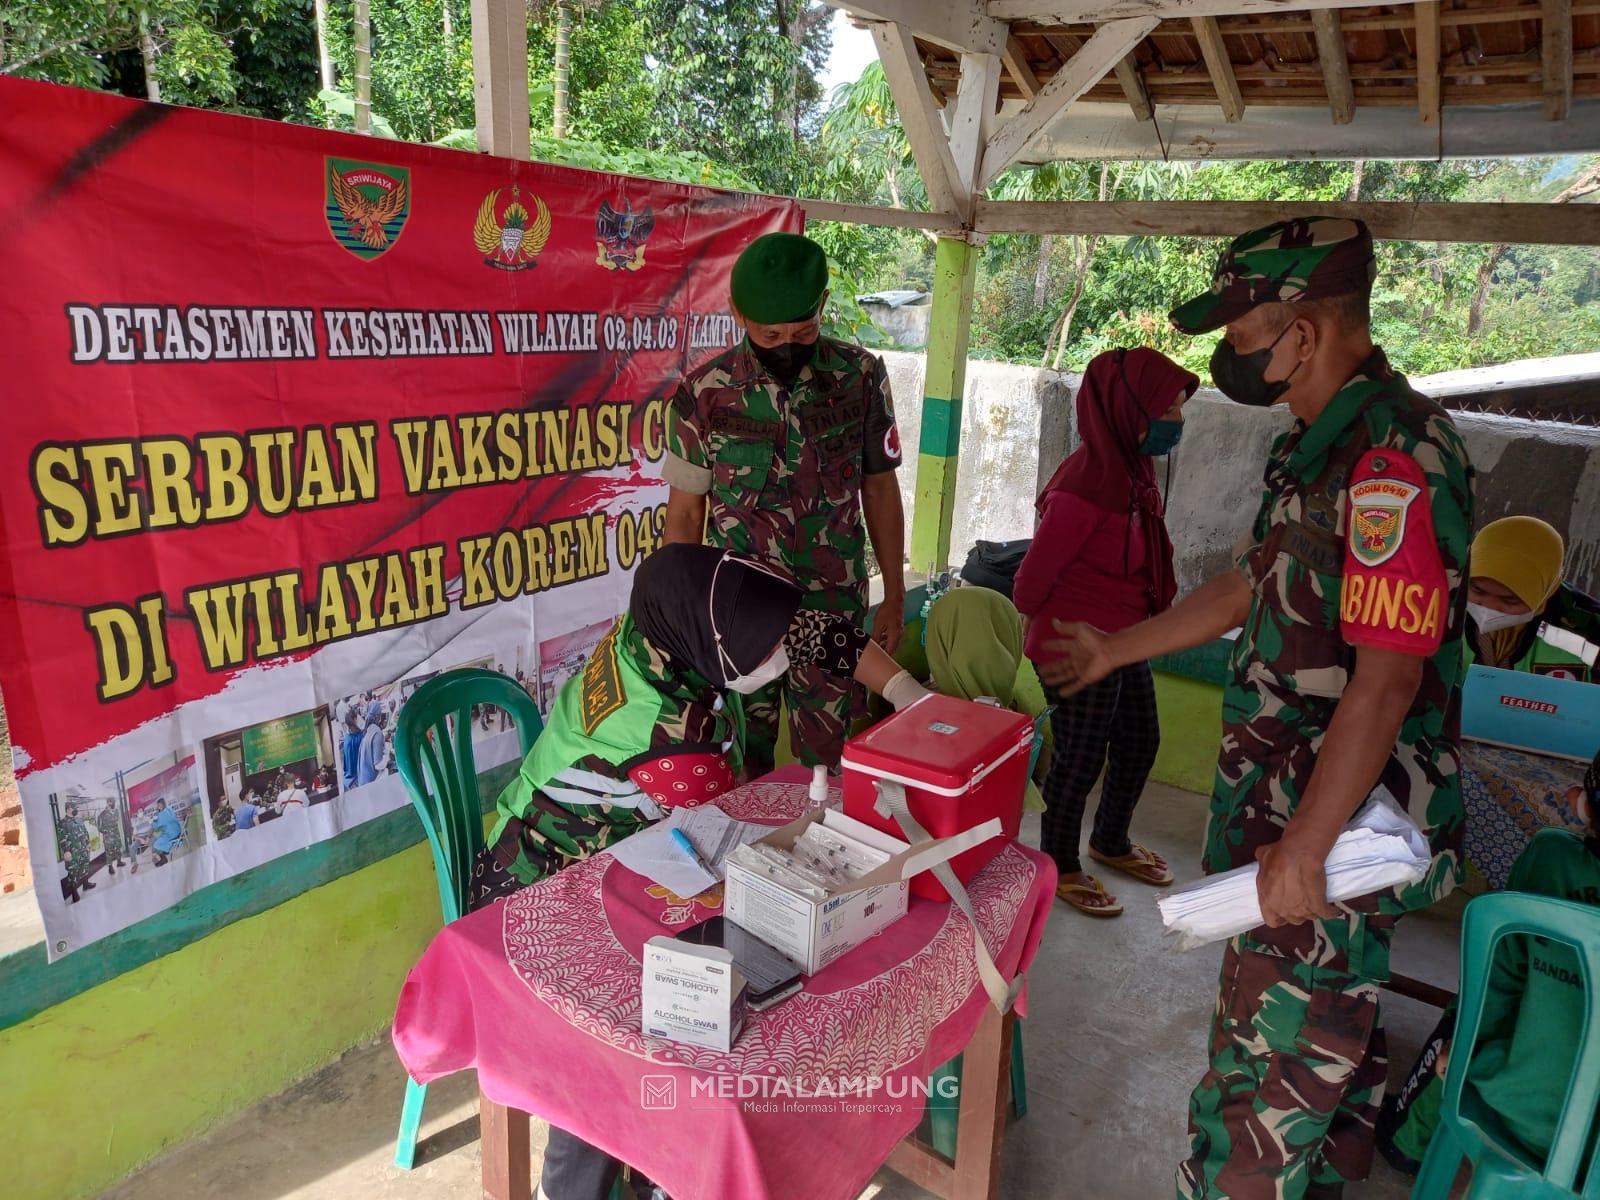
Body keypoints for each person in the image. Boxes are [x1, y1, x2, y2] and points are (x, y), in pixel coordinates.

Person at [1043, 216, 1473, 1198]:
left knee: (1255, 1111)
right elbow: (1250, 584)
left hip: (1325, 837)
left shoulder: (1391, 459)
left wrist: (1305, 850)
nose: (1226, 357)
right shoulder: (1315, 449)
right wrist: (1115, 647)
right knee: (1308, 1073)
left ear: (1303, 334)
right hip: (1286, 822)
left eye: (1240, 335)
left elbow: (1387, 679)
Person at [476, 543, 927, 1200]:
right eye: (761, 652)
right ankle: (620, 1174)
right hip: (536, 885)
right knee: (665, 1013)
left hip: (561, 835)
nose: (778, 657)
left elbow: (818, 634)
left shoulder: (652, 631)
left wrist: (907, 692)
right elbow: (721, 849)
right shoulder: (675, 737)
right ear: (710, 645)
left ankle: (660, 1162)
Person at [663, 231, 908, 776]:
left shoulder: (859, 378)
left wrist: (894, 594)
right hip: (739, 613)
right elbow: (684, 514)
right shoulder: (704, 394)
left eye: (804, 330)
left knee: (831, 765)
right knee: (737, 761)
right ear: (737, 312)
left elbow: (879, 488)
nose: (787, 346)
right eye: (770, 334)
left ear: (823, 304)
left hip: (833, 605)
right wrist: (683, 623)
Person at [1013, 348, 1197, 917]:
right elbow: (1029, 582)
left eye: (1180, 408)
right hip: (1072, 645)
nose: (1178, 421)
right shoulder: (1084, 487)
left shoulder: (1134, 476)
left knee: (1140, 741)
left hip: (1121, 640)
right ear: (1127, 409)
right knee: (1081, 756)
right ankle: (1058, 862)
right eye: (1168, 409)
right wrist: (1037, 635)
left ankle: (1110, 841)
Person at [1379, 747, 1600, 1173]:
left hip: (1520, 1111)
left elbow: (1494, 989)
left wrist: (1462, 1055)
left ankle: (1408, 1141)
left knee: (1470, 1009)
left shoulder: (1553, 858)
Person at [1464, 515, 1600, 678]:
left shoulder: (1590, 629)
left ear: (1544, 592)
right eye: (1478, 591)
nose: (1489, 608)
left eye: (1509, 600)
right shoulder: (1444, 609)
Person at [56, 801, 94, 902]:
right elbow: (62, 838)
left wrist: (88, 843)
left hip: (83, 849)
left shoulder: (79, 820)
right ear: (68, 809)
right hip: (72, 852)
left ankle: (85, 884)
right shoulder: (62, 823)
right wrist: (66, 851)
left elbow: (85, 832)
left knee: (85, 866)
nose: (76, 810)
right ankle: (74, 891)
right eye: (74, 808)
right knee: (73, 871)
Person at [357, 706, 389, 786]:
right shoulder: (377, 732)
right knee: (387, 771)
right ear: (378, 716)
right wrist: (387, 756)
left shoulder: (368, 729)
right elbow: (378, 765)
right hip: (371, 783)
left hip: (362, 781)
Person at [150, 798, 184, 866]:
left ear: (163, 804)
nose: (158, 807)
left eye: (159, 805)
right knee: (156, 837)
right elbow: (163, 825)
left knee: (155, 842)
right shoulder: (169, 809)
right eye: (158, 806)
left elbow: (159, 826)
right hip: (177, 831)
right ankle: (160, 855)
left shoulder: (162, 814)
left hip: (173, 835)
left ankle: (162, 856)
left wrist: (153, 822)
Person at [95, 802, 126, 876]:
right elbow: (99, 827)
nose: (111, 804)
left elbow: (117, 820)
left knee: (118, 849)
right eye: (109, 802)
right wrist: (107, 831)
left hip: (116, 835)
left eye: (112, 802)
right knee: (109, 853)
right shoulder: (101, 815)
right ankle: (110, 867)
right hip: (108, 838)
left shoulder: (115, 812)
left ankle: (119, 862)